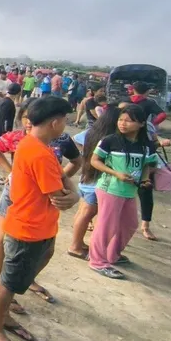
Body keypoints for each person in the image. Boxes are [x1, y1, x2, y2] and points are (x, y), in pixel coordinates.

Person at [0, 97, 79, 341]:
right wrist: (75, 195)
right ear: (55, 122)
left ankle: (2, 313)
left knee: (31, 265)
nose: (65, 126)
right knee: (9, 279)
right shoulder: (39, 152)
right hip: (28, 227)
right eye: (65, 121)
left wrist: (72, 193)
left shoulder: (37, 146)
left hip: (40, 225)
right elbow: (60, 194)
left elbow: (62, 180)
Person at [88, 104, 159, 279]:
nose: (123, 123)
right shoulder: (110, 140)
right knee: (106, 226)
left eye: (128, 121)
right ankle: (97, 261)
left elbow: (147, 165)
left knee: (130, 224)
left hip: (129, 190)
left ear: (142, 124)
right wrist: (115, 173)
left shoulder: (146, 145)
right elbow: (95, 161)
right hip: (110, 188)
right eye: (121, 119)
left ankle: (113, 255)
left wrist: (145, 179)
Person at [68, 105, 121, 259]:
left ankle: (78, 242)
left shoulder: (91, 133)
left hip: (86, 177)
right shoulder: (110, 138)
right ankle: (75, 246)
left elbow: (75, 140)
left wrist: (85, 155)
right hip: (96, 181)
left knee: (82, 213)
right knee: (87, 214)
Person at [129, 82, 168, 241]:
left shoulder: (126, 100)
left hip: (142, 151)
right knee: (145, 191)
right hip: (140, 152)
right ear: (148, 91)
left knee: (143, 189)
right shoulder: (149, 104)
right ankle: (145, 227)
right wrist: (154, 123)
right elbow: (163, 115)